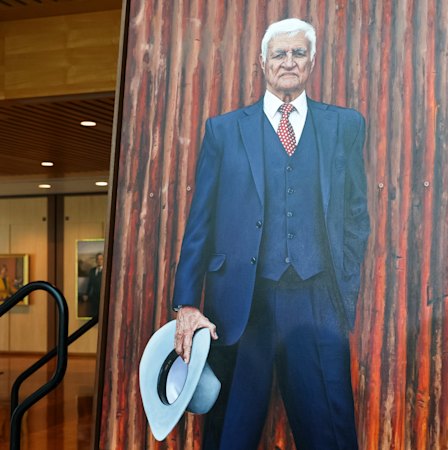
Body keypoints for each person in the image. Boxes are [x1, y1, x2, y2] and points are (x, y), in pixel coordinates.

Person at [170, 18, 370, 450]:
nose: (289, 61)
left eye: (298, 53)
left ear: (312, 61)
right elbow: (200, 222)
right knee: (230, 433)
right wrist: (186, 303)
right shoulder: (223, 131)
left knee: (331, 433)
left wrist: (343, 291)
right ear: (263, 63)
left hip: (316, 302)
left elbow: (356, 215)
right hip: (241, 306)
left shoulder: (345, 126)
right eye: (279, 53)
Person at [82, 253, 103, 317]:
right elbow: (90, 284)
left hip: (103, 297)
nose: (99, 261)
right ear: (96, 260)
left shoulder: (106, 270)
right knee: (94, 314)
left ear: (103, 260)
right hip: (94, 297)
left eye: (101, 259)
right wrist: (86, 294)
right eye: (98, 259)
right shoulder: (92, 271)